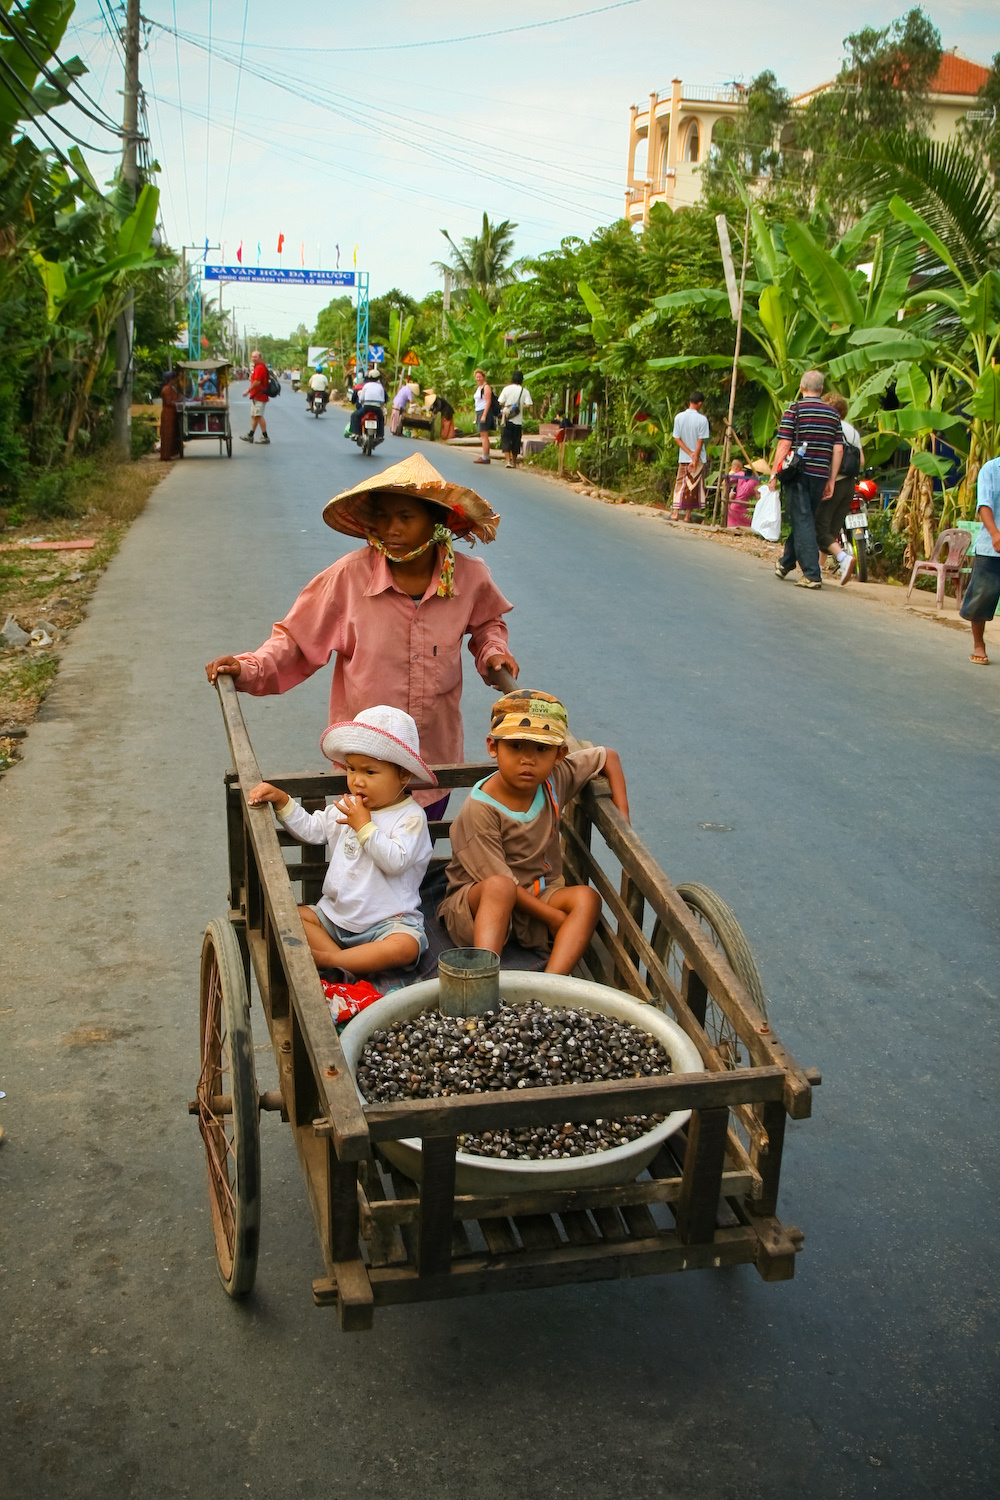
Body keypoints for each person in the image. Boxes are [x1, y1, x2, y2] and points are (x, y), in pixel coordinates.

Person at [205, 452, 519, 814]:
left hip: (433, 762)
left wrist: (494, 651)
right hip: (365, 769)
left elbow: (487, 624)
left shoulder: (468, 577)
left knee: (415, 853)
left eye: (406, 517)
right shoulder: (347, 578)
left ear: (436, 522)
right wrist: (248, 667)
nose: (392, 529)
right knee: (364, 857)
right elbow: (294, 642)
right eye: (383, 517)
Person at [438, 690, 630, 975]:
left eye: (541, 749)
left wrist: (623, 817)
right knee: (499, 887)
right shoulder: (480, 810)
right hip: (481, 907)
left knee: (587, 900)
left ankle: (550, 984)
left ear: (560, 754)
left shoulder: (555, 778)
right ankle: (483, 978)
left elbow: (607, 757)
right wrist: (552, 917)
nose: (528, 760)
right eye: (516, 747)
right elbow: (501, 882)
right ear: (493, 747)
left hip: (538, 895)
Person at [248, 707, 435, 974]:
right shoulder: (344, 807)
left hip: (387, 922)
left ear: (404, 774)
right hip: (334, 917)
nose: (357, 781)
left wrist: (364, 826)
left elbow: (396, 862)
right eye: (351, 769)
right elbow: (312, 829)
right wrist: (282, 801)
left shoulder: (411, 817)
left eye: (370, 772)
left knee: (405, 947)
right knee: (290, 918)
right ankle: (345, 963)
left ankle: (329, 962)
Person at [772, 370, 844, 590]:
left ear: (801, 388)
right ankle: (785, 563)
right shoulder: (833, 415)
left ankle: (812, 574)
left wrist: (774, 474)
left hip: (798, 474)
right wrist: (832, 480)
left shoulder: (794, 410)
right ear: (821, 390)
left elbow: (784, 445)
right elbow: (838, 449)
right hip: (821, 475)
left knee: (802, 520)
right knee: (804, 518)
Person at [814, 392, 864, 584]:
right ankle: (818, 567)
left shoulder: (830, 427)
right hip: (850, 483)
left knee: (820, 526)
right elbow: (861, 460)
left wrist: (830, 479)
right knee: (832, 528)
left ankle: (844, 558)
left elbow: (829, 454)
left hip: (833, 481)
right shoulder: (853, 431)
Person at [959, 454, 1000, 666]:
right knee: (982, 597)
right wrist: (994, 533)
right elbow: (984, 504)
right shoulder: (991, 469)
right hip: (991, 548)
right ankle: (979, 645)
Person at [671, 392, 710, 520]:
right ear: (700, 403)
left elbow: (677, 438)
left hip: (683, 457)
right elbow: (700, 440)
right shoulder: (702, 419)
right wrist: (694, 457)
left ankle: (675, 513)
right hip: (698, 459)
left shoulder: (679, 417)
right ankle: (687, 515)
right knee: (694, 486)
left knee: (680, 483)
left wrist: (688, 453)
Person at [497, 368, 533, 470]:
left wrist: (508, 406)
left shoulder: (506, 389)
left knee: (506, 439)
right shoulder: (524, 391)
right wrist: (519, 407)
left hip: (507, 418)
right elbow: (529, 404)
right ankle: (514, 461)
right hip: (518, 420)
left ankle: (507, 460)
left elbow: (500, 402)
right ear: (521, 379)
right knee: (516, 440)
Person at [349, 365, 387, 439]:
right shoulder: (381, 387)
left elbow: (361, 398)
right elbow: (383, 400)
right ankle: (380, 435)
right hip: (377, 407)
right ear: (378, 378)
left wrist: (361, 402)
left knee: (355, 415)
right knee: (381, 419)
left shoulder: (366, 386)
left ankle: (356, 433)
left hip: (367, 407)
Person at [241, 350, 270, 445]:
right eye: (252, 357)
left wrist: (248, 390)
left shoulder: (260, 368)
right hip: (256, 396)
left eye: (255, 357)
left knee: (258, 415)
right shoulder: (258, 367)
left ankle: (262, 436)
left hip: (260, 395)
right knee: (255, 416)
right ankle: (251, 435)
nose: (253, 358)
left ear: (260, 357)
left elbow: (257, 382)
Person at [724, 457, 761, 528]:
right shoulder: (756, 482)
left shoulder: (740, 474)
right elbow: (758, 497)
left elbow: (726, 481)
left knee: (732, 523)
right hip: (742, 506)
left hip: (734, 504)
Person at [159, 369, 184, 461]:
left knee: (172, 434)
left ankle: (169, 454)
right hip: (167, 414)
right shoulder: (166, 389)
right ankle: (165, 456)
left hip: (172, 413)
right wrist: (178, 402)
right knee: (167, 435)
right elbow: (169, 402)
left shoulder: (172, 389)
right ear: (171, 379)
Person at [473, 368, 496, 464]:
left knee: (484, 435)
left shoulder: (486, 387)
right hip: (479, 411)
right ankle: (484, 455)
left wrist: (484, 415)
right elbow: (477, 403)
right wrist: (476, 416)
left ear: (483, 377)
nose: (478, 378)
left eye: (480, 376)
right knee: (482, 434)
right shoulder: (479, 388)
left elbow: (488, 401)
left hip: (484, 411)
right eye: (476, 377)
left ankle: (486, 456)